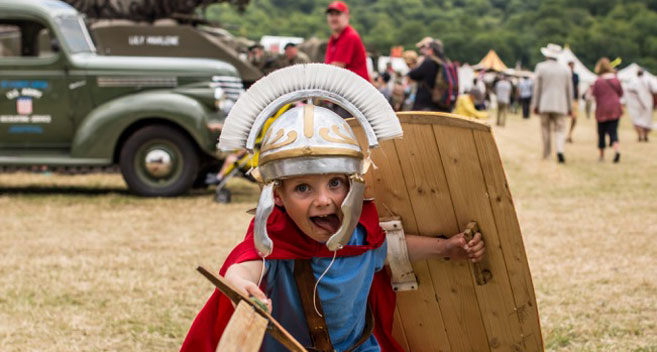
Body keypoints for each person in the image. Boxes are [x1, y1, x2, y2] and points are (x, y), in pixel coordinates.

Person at [180, 64, 485, 352]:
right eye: (303, 188)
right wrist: (238, 282)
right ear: (278, 197)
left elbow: (394, 248)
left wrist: (447, 247)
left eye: (335, 184)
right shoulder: (275, 245)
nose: (324, 200)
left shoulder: (363, 240)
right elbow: (249, 263)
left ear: (353, 184)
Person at [531, 43, 573, 163]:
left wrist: (535, 105)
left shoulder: (541, 67)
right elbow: (569, 90)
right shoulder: (566, 69)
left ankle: (547, 154)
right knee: (560, 129)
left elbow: (537, 88)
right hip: (561, 105)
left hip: (544, 104)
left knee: (545, 129)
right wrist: (570, 107)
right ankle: (560, 150)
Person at [324, 1, 369, 82]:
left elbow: (334, 69)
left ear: (346, 17)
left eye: (337, 14)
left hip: (356, 89)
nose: (334, 18)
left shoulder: (349, 36)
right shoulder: (333, 38)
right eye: (331, 15)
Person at [591, 57, 623, 162]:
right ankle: (617, 150)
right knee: (613, 132)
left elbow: (593, 94)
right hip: (615, 108)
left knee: (601, 133)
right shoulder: (615, 79)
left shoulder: (598, 81)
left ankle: (601, 156)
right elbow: (621, 93)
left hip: (602, 110)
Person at [408, 39, 454, 112]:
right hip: (442, 105)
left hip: (425, 104)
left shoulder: (429, 62)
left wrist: (419, 63)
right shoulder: (446, 63)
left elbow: (413, 75)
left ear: (431, 50)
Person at [626, 68, 656, 142]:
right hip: (646, 103)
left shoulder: (633, 81)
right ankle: (644, 136)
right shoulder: (648, 81)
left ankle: (640, 136)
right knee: (646, 120)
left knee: (638, 121)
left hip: (636, 105)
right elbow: (655, 92)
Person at [566, 61, 580, 143]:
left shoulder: (576, 76)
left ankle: (569, 134)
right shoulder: (564, 75)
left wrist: (577, 98)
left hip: (573, 99)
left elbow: (577, 87)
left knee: (574, 118)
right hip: (565, 99)